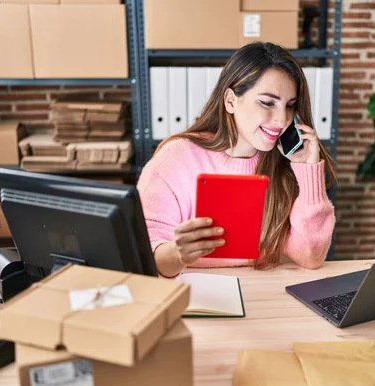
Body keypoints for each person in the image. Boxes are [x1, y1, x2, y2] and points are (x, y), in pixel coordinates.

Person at [137, 42, 336, 278]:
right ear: (231, 101)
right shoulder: (177, 156)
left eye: (290, 106)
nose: (282, 120)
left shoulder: (284, 162)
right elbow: (144, 258)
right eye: (267, 102)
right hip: (193, 293)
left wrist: (308, 170)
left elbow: (310, 257)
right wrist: (177, 253)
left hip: (261, 294)